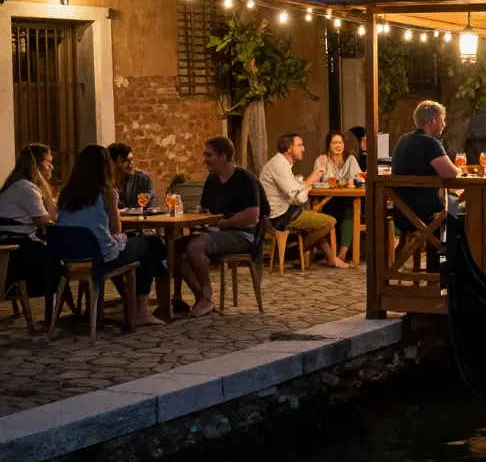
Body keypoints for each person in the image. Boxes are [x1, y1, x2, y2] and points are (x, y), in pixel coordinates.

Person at [56, 145, 166, 327]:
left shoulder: (65, 194)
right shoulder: (107, 192)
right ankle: (141, 310)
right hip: (101, 259)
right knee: (149, 244)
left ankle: (131, 301)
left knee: (140, 244)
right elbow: (116, 230)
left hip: (71, 260)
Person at [178, 136, 261, 317]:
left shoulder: (245, 179)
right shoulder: (212, 180)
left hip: (241, 235)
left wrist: (222, 223)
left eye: (208, 154)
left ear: (223, 156)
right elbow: (204, 209)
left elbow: (252, 216)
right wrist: (199, 216)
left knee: (195, 246)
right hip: (215, 232)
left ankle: (206, 296)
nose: (204, 159)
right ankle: (202, 298)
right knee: (177, 251)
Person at [390, 101, 461, 268]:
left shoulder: (403, 140)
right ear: (432, 122)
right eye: (443, 120)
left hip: (401, 213)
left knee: (451, 208)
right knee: (458, 214)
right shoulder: (430, 143)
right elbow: (451, 173)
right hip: (424, 214)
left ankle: (435, 271)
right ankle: (441, 272)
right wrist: (460, 169)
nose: (445, 124)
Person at [262, 133, 347, 268]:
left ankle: (330, 258)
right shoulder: (279, 165)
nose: (303, 149)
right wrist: (311, 179)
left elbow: (297, 196)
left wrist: (308, 183)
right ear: (290, 149)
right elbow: (293, 195)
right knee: (329, 222)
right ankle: (296, 253)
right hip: (280, 216)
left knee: (316, 220)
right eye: (299, 145)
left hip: (284, 211)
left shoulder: (282, 164)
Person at [0, 144, 59, 306]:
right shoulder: (27, 188)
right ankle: (52, 315)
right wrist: (47, 194)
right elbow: (48, 222)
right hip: (15, 252)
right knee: (58, 262)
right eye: (48, 162)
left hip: (11, 247)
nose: (51, 167)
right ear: (36, 165)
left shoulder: (19, 185)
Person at [314, 130, 361, 262]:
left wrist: (351, 182)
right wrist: (323, 166)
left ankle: (342, 254)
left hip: (347, 199)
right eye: (334, 143)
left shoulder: (350, 159)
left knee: (348, 208)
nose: (338, 145)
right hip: (328, 200)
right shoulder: (322, 159)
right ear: (329, 144)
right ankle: (329, 253)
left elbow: (357, 179)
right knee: (326, 210)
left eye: (340, 142)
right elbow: (317, 181)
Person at [107, 142, 157, 210]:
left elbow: (152, 207)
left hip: (140, 220)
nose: (130, 165)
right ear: (112, 163)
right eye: (124, 161)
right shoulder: (104, 182)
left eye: (131, 160)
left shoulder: (143, 179)